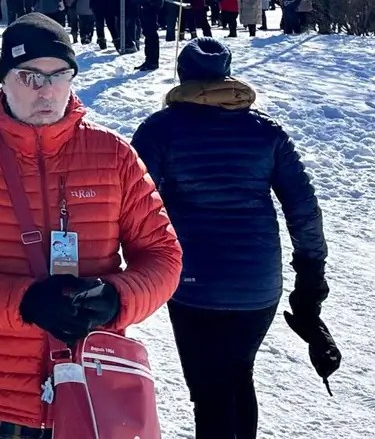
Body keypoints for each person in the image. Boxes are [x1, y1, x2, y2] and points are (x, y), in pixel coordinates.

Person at [0, 15, 183, 439]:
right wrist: (24, 303)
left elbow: (163, 256)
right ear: (4, 80)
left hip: (93, 394)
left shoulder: (112, 154)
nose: (47, 89)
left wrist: (117, 297)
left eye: (59, 75)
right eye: (30, 76)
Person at [132, 38, 327, 439]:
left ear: (183, 76)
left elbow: (128, 200)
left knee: (211, 392)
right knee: (238, 374)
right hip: (258, 286)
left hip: (194, 285)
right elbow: (303, 210)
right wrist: (311, 279)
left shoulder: (160, 130)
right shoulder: (265, 132)